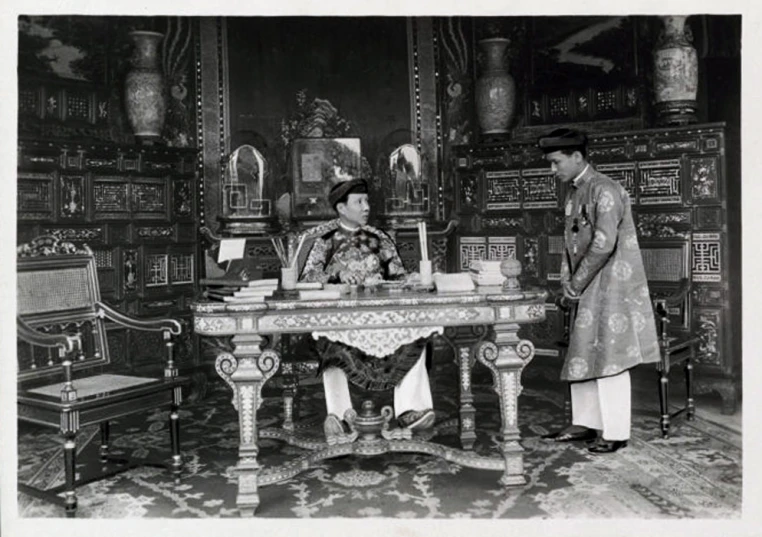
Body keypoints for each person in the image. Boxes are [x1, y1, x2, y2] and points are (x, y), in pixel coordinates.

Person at [537, 128, 660, 454]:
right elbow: (572, 243)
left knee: (610, 357)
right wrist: (570, 283)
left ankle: (616, 432)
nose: (553, 170)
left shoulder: (605, 190)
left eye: (556, 162)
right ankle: (586, 423)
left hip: (611, 286)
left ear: (578, 157)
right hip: (587, 285)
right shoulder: (577, 191)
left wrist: (575, 285)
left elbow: (603, 245)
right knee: (583, 351)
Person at [299, 178, 435, 440]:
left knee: (416, 335)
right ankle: (339, 416)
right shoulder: (326, 241)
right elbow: (307, 278)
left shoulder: (377, 238)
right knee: (331, 342)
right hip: (341, 318)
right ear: (341, 208)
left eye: (367, 201)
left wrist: (412, 279)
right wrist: (337, 275)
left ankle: (411, 410)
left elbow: (397, 275)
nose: (366, 207)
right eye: (359, 202)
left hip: (381, 316)